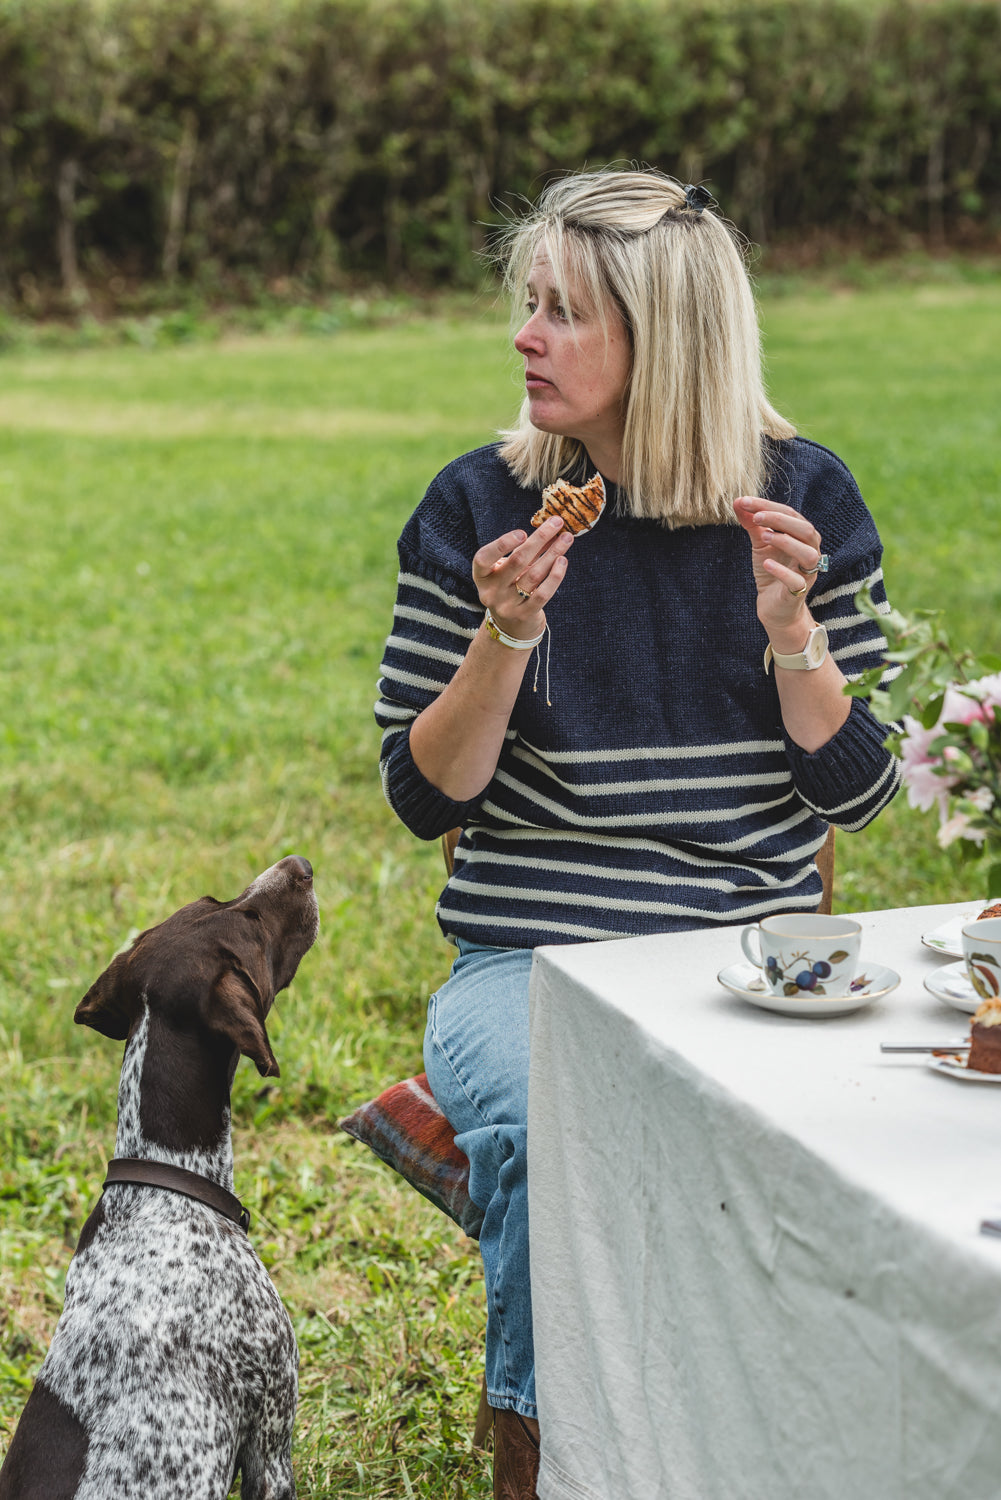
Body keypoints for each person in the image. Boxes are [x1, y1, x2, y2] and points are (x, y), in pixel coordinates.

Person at [374, 167, 899, 1497]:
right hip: (532, 962)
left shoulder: (804, 505)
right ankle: (549, 1462)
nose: (523, 337)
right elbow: (425, 794)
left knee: (883, 1152)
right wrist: (504, 637)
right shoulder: (480, 507)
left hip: (757, 959)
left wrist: (794, 637)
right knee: (564, 1144)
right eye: (527, 304)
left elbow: (854, 794)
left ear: (659, 338)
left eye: (562, 313)